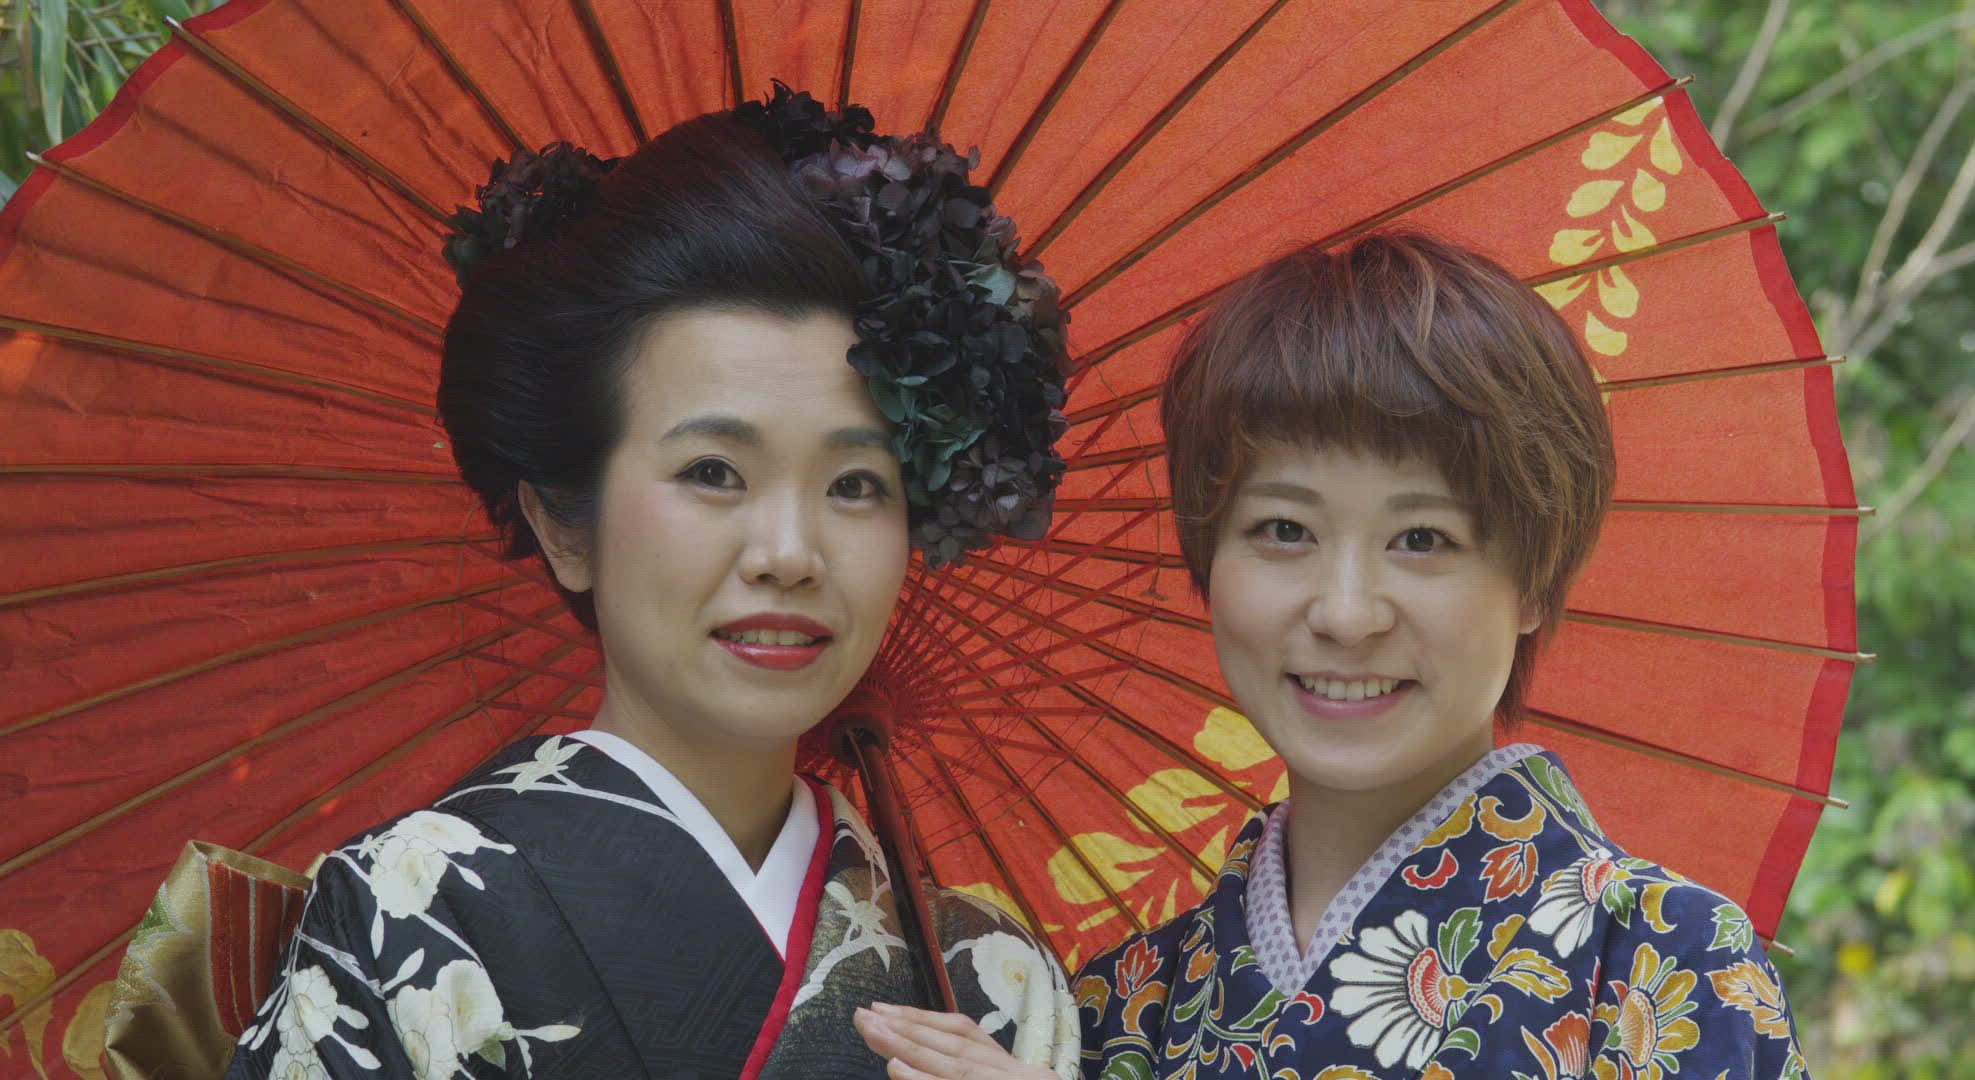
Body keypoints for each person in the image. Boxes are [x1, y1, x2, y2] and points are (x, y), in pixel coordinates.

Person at [221, 91, 1080, 1079]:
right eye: (713, 471)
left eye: (854, 484)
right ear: (564, 526)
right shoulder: (410, 914)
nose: (789, 553)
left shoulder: (990, 982)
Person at [855, 233, 1809, 1078]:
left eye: (1423, 539)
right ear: (1208, 560)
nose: (1347, 614)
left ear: (1533, 580)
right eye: (1284, 530)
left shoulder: (1664, 965)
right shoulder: (1116, 1013)